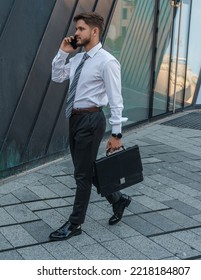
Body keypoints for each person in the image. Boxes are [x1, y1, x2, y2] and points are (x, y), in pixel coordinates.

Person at [49, 12, 131, 241]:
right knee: (86, 171)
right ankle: (118, 199)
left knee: (81, 176)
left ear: (94, 31)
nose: (76, 33)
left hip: (92, 120)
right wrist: (62, 53)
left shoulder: (107, 61)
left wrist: (117, 134)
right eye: (76, 29)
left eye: (81, 29)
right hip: (74, 119)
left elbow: (116, 101)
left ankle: (75, 224)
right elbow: (56, 77)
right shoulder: (76, 59)